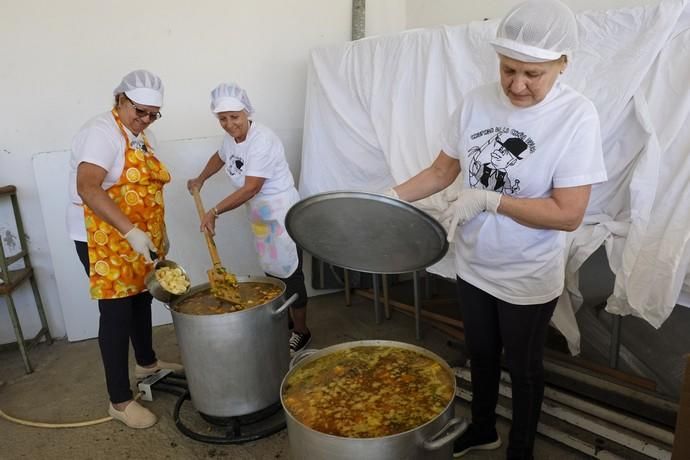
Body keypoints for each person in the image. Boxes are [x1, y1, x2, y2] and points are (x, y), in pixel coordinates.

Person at [386, 1, 607, 458]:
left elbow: (569, 213)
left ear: (562, 64)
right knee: (482, 355)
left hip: (526, 271)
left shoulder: (576, 117)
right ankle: (483, 427)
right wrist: (385, 199)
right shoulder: (475, 102)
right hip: (474, 261)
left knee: (524, 367)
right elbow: (441, 171)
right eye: (509, 70)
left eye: (533, 74)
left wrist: (491, 199)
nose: (518, 85)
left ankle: (520, 449)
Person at [68, 69, 183, 429]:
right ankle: (119, 399)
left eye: (153, 114)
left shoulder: (140, 135)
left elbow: (146, 188)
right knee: (117, 315)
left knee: (141, 298)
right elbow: (88, 187)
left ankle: (147, 362)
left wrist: (156, 232)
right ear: (120, 99)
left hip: (135, 237)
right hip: (102, 239)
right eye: (140, 111)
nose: (146, 119)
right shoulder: (100, 133)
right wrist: (131, 231)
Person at [187, 82, 311, 354]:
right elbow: (220, 157)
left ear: (246, 112)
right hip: (260, 213)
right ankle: (286, 322)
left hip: (280, 213)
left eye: (235, 117)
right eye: (223, 119)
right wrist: (201, 178)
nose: (230, 124)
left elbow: (252, 186)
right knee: (272, 270)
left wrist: (214, 211)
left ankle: (301, 331)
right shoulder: (231, 139)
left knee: (290, 272)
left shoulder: (262, 140)